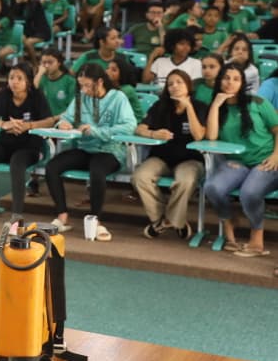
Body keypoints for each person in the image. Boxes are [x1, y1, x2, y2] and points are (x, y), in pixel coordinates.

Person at [45, 62, 137, 241]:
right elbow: (66, 117)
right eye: (81, 85)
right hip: (85, 149)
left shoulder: (118, 98)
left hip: (110, 151)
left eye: (87, 85)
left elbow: (129, 126)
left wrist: (96, 131)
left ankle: (96, 220)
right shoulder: (81, 97)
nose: (84, 90)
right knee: (52, 167)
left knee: (97, 171)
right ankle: (62, 216)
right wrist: (63, 124)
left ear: (100, 82)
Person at [204, 62, 278, 258]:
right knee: (212, 187)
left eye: (236, 79)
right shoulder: (217, 107)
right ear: (219, 81)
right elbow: (211, 137)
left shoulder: (258, 102)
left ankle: (257, 240)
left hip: (266, 160)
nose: (230, 83)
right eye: (226, 78)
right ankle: (229, 222)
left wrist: (276, 155)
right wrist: (216, 105)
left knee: (249, 192)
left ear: (243, 83)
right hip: (237, 162)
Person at [0, 62, 54, 222]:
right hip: (5, 145)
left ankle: (16, 215)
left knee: (17, 165)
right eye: (11, 77)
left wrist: (28, 126)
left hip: (30, 148)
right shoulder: (4, 95)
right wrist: (4, 124)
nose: (14, 82)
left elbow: (49, 121)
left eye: (19, 78)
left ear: (28, 81)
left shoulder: (37, 96)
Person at [132, 70, 207, 240]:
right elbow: (139, 128)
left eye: (179, 82)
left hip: (190, 159)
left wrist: (188, 107)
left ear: (188, 85)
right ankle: (168, 219)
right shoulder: (161, 106)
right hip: (161, 157)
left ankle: (166, 221)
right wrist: (153, 134)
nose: (175, 86)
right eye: (170, 83)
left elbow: (199, 135)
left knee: (185, 181)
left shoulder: (200, 106)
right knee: (140, 177)